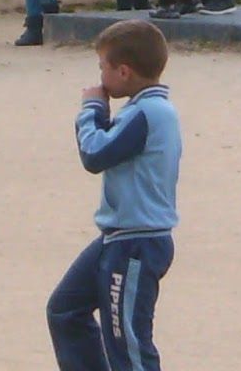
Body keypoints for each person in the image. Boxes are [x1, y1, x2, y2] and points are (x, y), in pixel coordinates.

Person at [47, 19, 181, 371]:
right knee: (65, 309)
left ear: (123, 72)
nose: (99, 76)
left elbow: (94, 155)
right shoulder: (142, 111)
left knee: (129, 345)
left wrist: (90, 109)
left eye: (102, 67)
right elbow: (114, 146)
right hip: (117, 238)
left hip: (137, 244)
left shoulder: (146, 113)